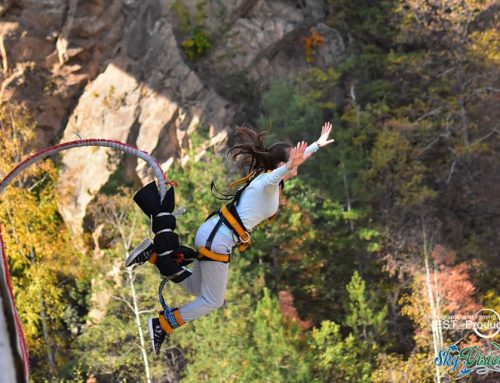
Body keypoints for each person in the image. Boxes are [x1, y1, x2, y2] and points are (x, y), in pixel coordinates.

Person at [126, 121, 335, 354]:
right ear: (282, 164)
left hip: (213, 233)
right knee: (213, 301)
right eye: (294, 160)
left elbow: (292, 163)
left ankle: (153, 255)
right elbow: (279, 173)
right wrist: (288, 167)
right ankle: (162, 324)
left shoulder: (269, 180)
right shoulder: (267, 181)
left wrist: (317, 145)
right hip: (219, 239)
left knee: (199, 288)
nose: (300, 162)